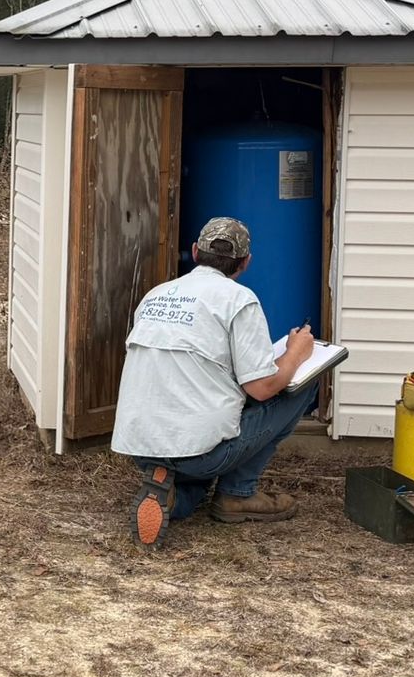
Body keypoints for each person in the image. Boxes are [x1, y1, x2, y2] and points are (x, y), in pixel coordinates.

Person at [111, 215, 319, 548]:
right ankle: (237, 495)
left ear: (195, 252)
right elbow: (262, 387)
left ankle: (168, 492)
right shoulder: (238, 300)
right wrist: (296, 352)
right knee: (303, 383)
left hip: (142, 446)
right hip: (199, 452)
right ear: (246, 262)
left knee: (194, 495)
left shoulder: (156, 295)